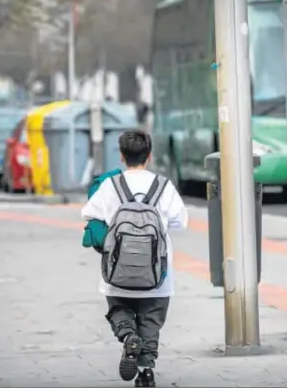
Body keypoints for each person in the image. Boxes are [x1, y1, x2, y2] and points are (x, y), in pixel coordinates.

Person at [81, 129, 188, 387]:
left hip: (117, 272)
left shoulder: (111, 185)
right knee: (152, 319)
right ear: (149, 156)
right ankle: (146, 371)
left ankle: (128, 335)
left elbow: (88, 214)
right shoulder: (163, 186)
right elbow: (180, 222)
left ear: (121, 156)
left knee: (119, 309)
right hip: (157, 274)